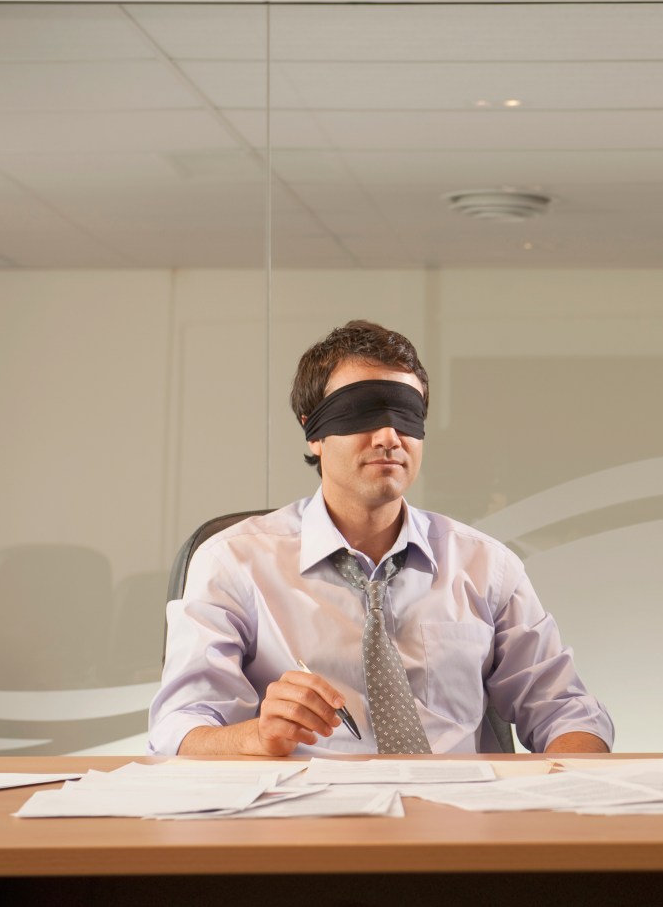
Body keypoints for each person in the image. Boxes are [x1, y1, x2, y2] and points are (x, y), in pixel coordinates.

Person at [149, 320, 612, 756]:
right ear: (314, 431)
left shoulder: (486, 567)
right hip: (308, 821)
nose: (390, 434)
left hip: (458, 821)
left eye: (407, 414)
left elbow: (567, 712)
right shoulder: (234, 562)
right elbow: (179, 725)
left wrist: (569, 792)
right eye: (362, 412)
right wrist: (256, 736)